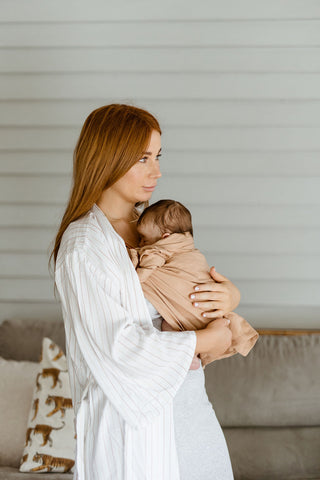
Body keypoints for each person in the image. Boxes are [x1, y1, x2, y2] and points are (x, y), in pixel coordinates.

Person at [50, 104, 238, 479]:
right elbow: (117, 345)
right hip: (133, 427)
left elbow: (189, 283)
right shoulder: (84, 246)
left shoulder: (153, 227)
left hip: (189, 409)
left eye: (157, 156)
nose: (157, 171)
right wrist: (201, 340)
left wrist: (228, 296)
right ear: (108, 157)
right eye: (142, 158)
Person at [129, 199, 259, 369]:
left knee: (169, 324)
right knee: (171, 324)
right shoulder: (188, 249)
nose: (141, 244)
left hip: (198, 312)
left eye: (144, 239)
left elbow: (142, 273)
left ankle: (190, 352)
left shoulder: (159, 250)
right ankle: (192, 350)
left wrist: (233, 295)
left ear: (165, 237)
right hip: (203, 323)